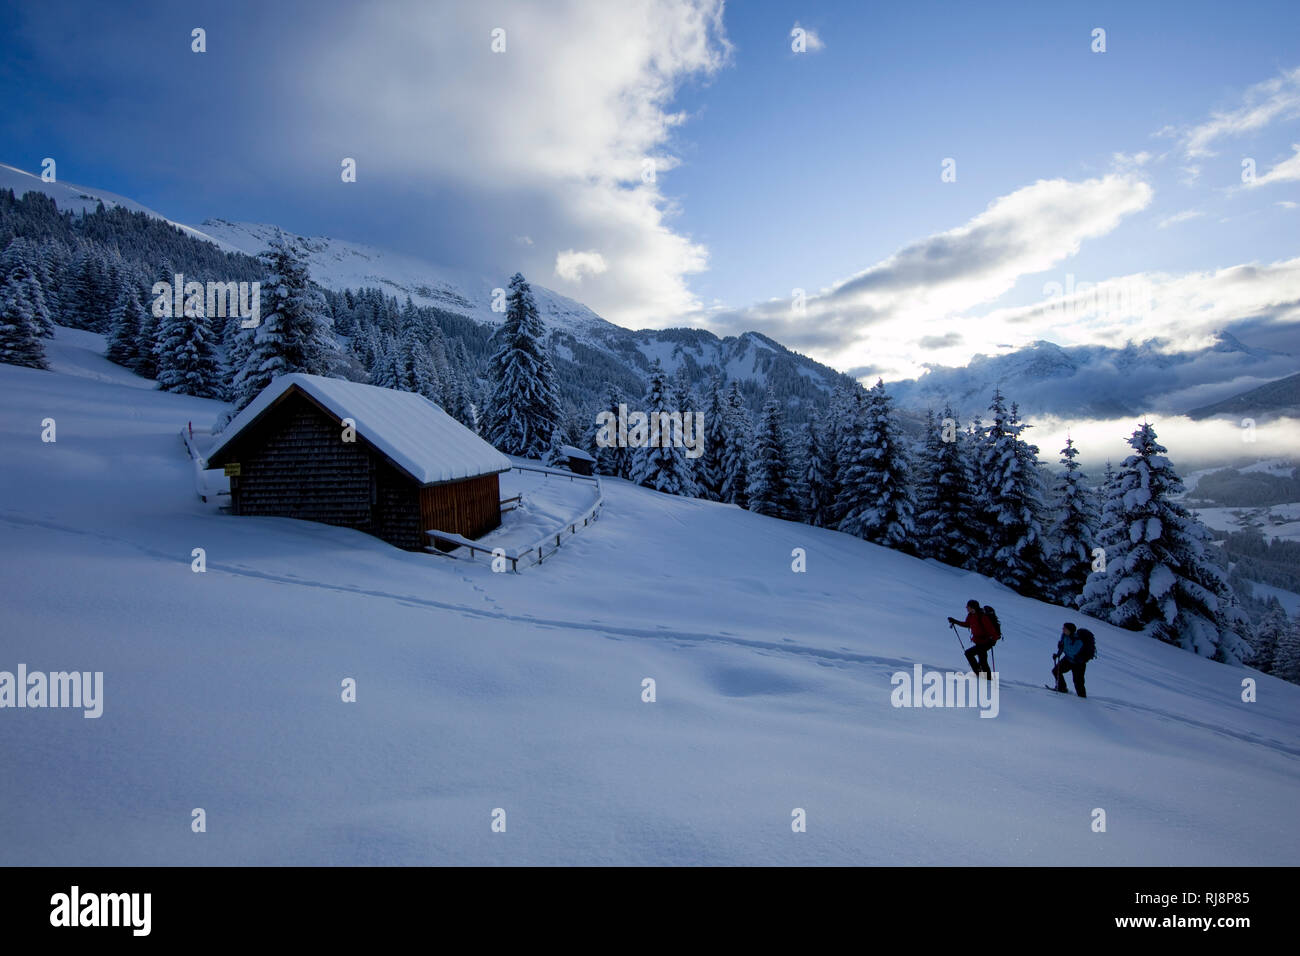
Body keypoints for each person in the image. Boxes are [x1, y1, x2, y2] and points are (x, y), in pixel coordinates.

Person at [948, 599, 997, 678]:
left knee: (971, 654)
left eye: (968, 606)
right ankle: (984, 676)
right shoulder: (971, 615)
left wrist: (992, 640)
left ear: (972, 607)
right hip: (979, 641)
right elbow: (967, 624)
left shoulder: (982, 616)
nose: (966, 608)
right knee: (982, 660)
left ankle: (982, 676)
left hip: (986, 642)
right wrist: (954, 621)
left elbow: (991, 630)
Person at [1052, 623, 1094, 697]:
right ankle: (1062, 688)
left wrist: (1063, 647)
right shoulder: (1064, 636)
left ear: (1069, 630)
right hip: (1068, 659)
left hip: (1078, 663)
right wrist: (1058, 654)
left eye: (1065, 628)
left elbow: (1073, 651)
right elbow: (1062, 647)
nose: (1063, 629)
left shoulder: (1078, 640)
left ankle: (1082, 698)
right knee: (1056, 671)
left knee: (1078, 682)